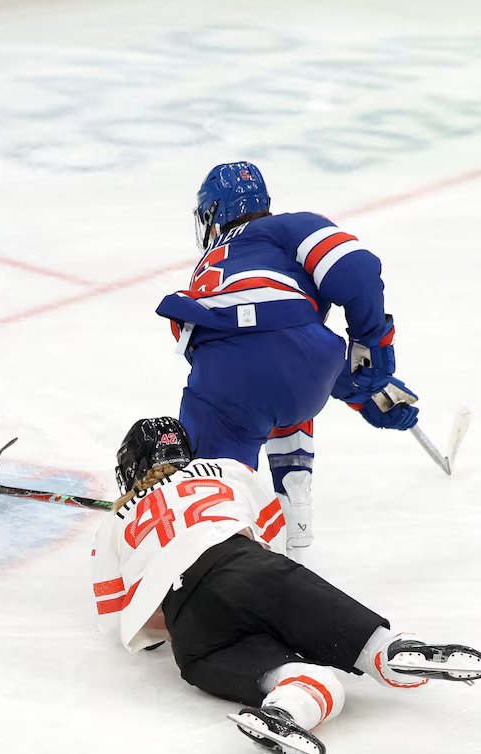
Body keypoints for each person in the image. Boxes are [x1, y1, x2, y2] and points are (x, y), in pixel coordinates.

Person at [92, 416, 481, 754]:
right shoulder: (224, 470)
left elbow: (116, 618)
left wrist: (163, 624)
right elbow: (273, 536)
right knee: (359, 639)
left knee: (298, 680)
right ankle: (389, 653)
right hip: (252, 569)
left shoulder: (114, 522)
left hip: (192, 627)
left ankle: (286, 711)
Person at [155, 162, 420, 561]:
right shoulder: (290, 228)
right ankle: (294, 499)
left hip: (224, 374)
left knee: (216, 489)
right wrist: (370, 355)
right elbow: (352, 273)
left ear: (213, 214)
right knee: (287, 382)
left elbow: (248, 352)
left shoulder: (210, 265)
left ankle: (218, 536)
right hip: (307, 365)